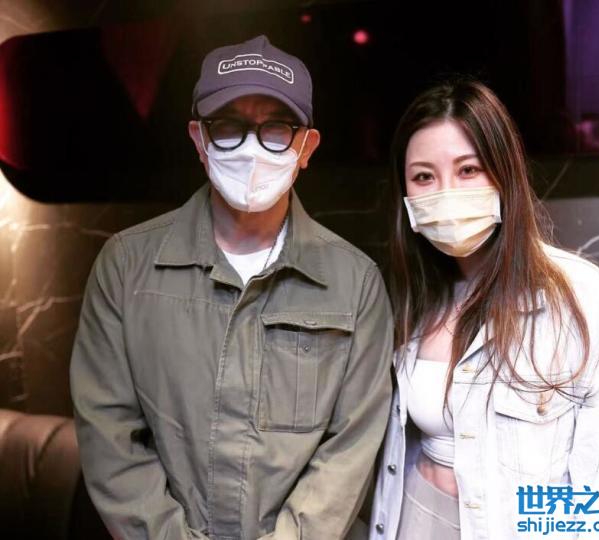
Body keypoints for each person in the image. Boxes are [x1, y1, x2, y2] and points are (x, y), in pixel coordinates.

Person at [70, 35, 393, 540]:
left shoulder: (356, 285)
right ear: (199, 140)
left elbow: (349, 451)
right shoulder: (126, 267)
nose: (250, 150)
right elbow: (110, 437)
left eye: (276, 129)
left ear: (306, 148)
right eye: (228, 127)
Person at [369, 79, 599, 539]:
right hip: (413, 517)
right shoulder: (409, 297)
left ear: (503, 173)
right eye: (423, 177)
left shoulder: (580, 297)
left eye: (468, 169)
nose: (446, 192)